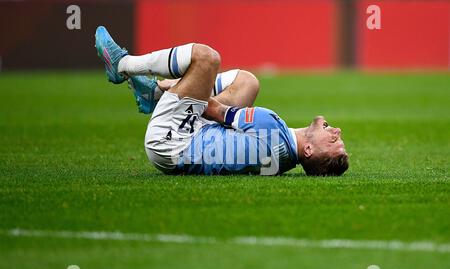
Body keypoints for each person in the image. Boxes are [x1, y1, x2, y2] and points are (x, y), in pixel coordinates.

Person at [95, 26, 348, 176]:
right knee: (248, 82)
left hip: (170, 140)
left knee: (207, 59)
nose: (337, 131)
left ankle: (124, 66)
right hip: (181, 149)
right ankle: (156, 95)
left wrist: (180, 84)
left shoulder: (270, 127)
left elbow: (211, 108)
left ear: (309, 151)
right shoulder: (281, 162)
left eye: (334, 141)